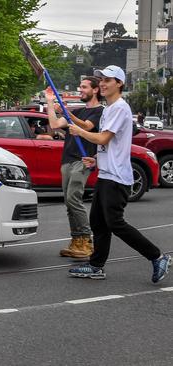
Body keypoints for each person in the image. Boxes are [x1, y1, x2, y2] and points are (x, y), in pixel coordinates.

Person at [68, 65, 171, 282]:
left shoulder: (119, 108)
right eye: (101, 79)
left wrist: (80, 132)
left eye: (108, 80)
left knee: (115, 223)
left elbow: (103, 138)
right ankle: (96, 266)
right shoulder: (109, 108)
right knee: (98, 222)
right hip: (106, 174)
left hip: (116, 178)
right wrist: (95, 160)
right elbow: (112, 145)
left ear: (120, 84)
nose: (103, 84)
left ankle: (158, 256)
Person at [45, 77, 104, 259]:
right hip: (67, 159)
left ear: (95, 90)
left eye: (84, 87)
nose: (81, 89)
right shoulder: (77, 110)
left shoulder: (100, 111)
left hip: (83, 159)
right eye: (80, 86)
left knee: (73, 199)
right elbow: (54, 125)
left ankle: (86, 241)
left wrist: (67, 113)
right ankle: (76, 241)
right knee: (69, 203)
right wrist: (49, 102)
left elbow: (87, 126)